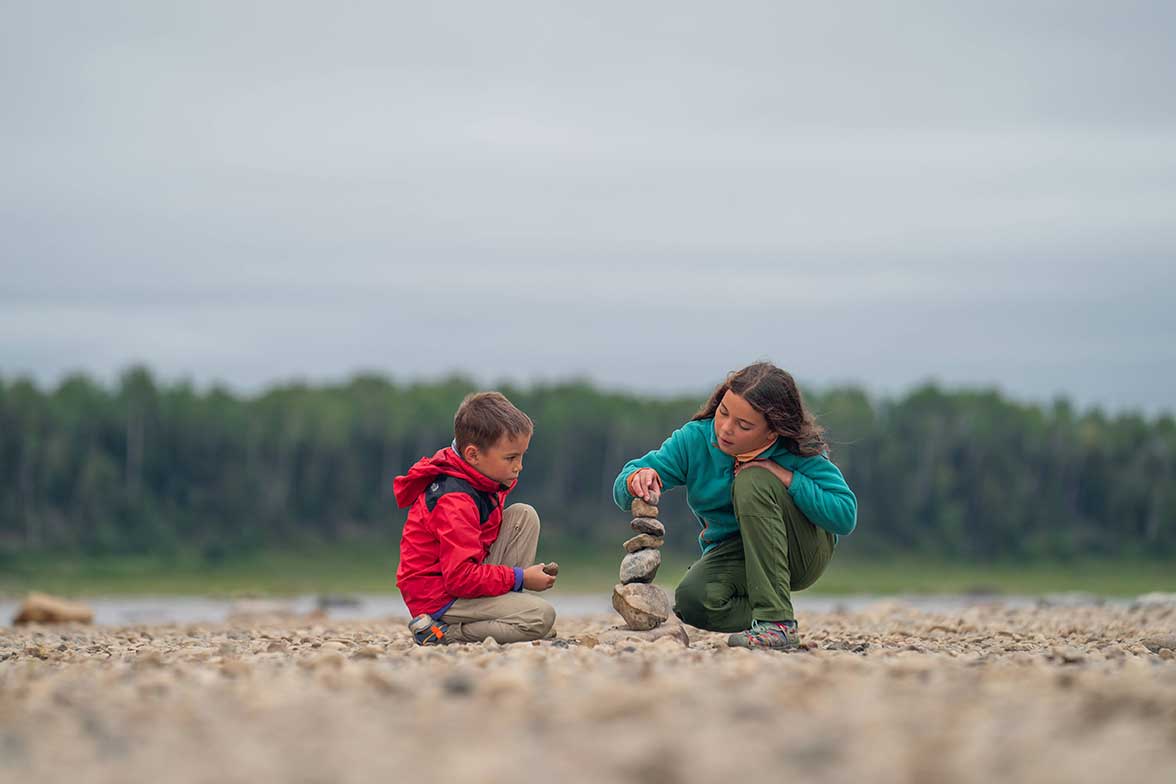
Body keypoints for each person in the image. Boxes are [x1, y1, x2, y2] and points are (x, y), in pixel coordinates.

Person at [612, 362, 857, 650]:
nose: (726, 429)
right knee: (693, 601)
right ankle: (774, 610)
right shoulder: (697, 439)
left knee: (753, 479)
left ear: (772, 433)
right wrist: (636, 479)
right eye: (723, 413)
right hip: (734, 553)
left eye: (743, 425)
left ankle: (776, 623)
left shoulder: (797, 451)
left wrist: (786, 477)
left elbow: (845, 515)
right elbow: (622, 489)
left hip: (800, 553)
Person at [395, 391, 557, 645]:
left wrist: (516, 577)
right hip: (439, 596)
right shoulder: (455, 500)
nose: (519, 466)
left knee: (523, 516)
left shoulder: (482, 476)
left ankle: (508, 617)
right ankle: (442, 632)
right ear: (472, 455)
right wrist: (521, 577)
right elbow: (460, 578)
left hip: (461, 579)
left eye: (522, 456)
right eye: (511, 458)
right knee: (542, 616)